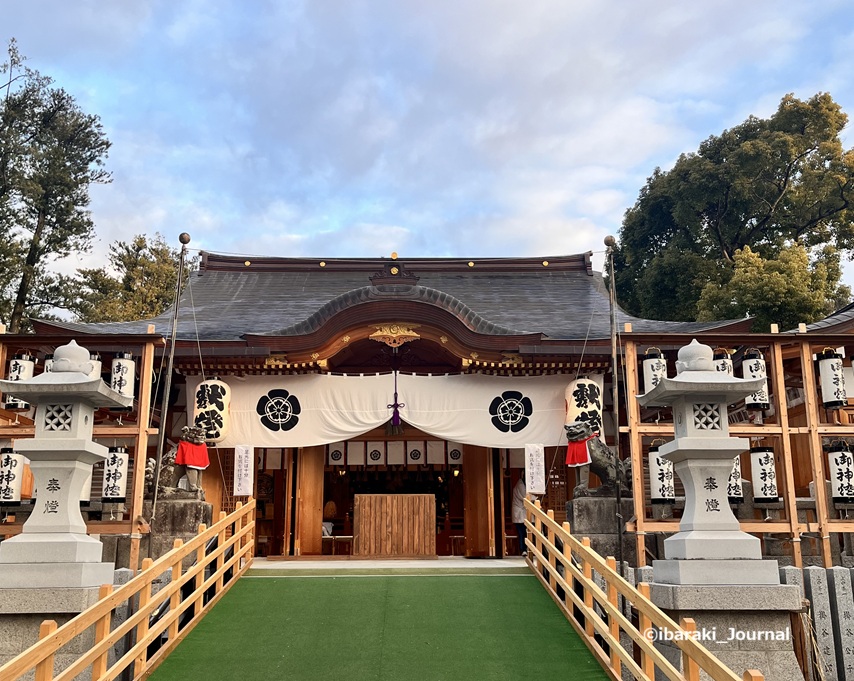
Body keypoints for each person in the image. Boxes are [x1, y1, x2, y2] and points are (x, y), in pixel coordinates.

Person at [511, 472, 535, 557]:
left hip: (522, 513)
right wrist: (537, 498)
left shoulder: (522, 484)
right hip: (520, 513)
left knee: (525, 532)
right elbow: (526, 497)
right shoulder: (520, 485)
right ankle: (523, 549)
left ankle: (527, 549)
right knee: (522, 532)